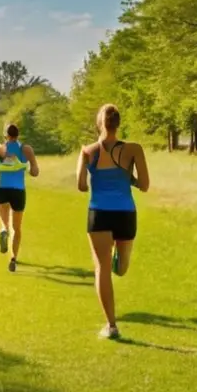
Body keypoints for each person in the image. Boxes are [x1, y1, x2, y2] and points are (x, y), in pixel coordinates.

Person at [76, 104, 149, 340]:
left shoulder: (88, 151)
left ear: (99, 123)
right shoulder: (134, 149)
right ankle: (121, 258)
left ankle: (112, 326)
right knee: (122, 269)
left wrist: (94, 175)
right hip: (125, 213)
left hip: (99, 214)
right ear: (118, 124)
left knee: (103, 269)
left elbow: (81, 186)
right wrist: (129, 178)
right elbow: (145, 186)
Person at [0, 123, 40, 272]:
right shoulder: (25, 149)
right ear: (18, 135)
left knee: (5, 223)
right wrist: (25, 167)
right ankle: (13, 258)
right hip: (18, 191)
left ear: (5, 135)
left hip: (1, 189)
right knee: (17, 228)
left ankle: (3, 229)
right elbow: (35, 172)